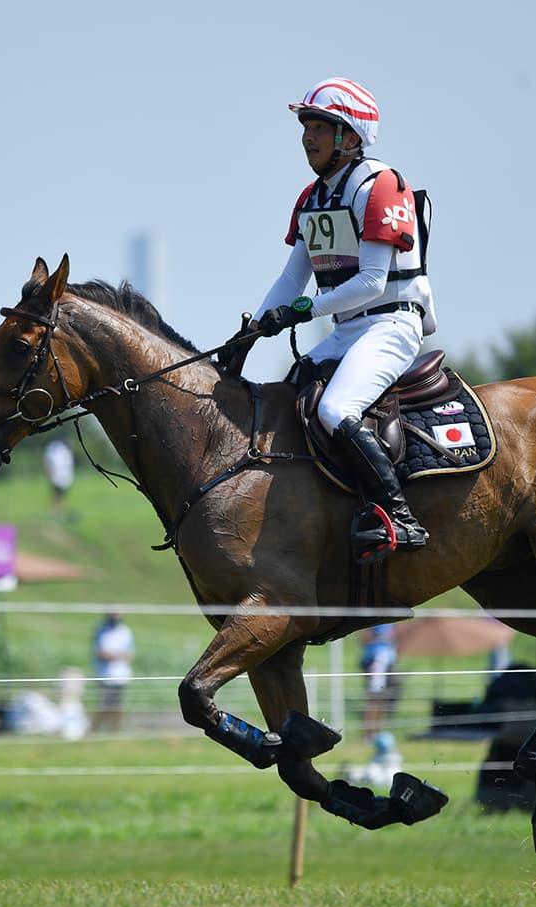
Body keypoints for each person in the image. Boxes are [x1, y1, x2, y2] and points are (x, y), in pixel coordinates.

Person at [222, 77, 436, 553]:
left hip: (391, 324)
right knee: (292, 391)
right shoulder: (312, 197)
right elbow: (291, 279)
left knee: (335, 409)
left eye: (320, 126)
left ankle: (401, 519)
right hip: (348, 329)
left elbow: (370, 284)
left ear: (352, 136)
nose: (308, 137)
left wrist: (296, 314)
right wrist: (253, 331)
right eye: (306, 126)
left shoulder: (380, 185)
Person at [91, 610, 135, 732]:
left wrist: (113, 655)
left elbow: (130, 655)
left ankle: (114, 729)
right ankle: (96, 729)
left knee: (117, 706)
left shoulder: (126, 632)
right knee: (104, 705)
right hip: (105, 675)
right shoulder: (101, 630)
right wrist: (117, 655)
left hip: (121, 676)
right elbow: (100, 652)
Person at [360, 623, 401, 743]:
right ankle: (369, 735)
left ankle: (375, 734)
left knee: (381, 701)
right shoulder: (379, 619)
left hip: (385, 660)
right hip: (379, 661)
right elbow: (366, 636)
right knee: (374, 700)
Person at [42, 437, 75, 517]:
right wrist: (49, 473)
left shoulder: (66, 451)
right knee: (56, 495)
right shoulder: (56, 449)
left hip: (63, 477)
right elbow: (48, 462)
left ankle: (59, 511)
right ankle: (55, 511)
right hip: (56, 477)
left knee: (61, 495)